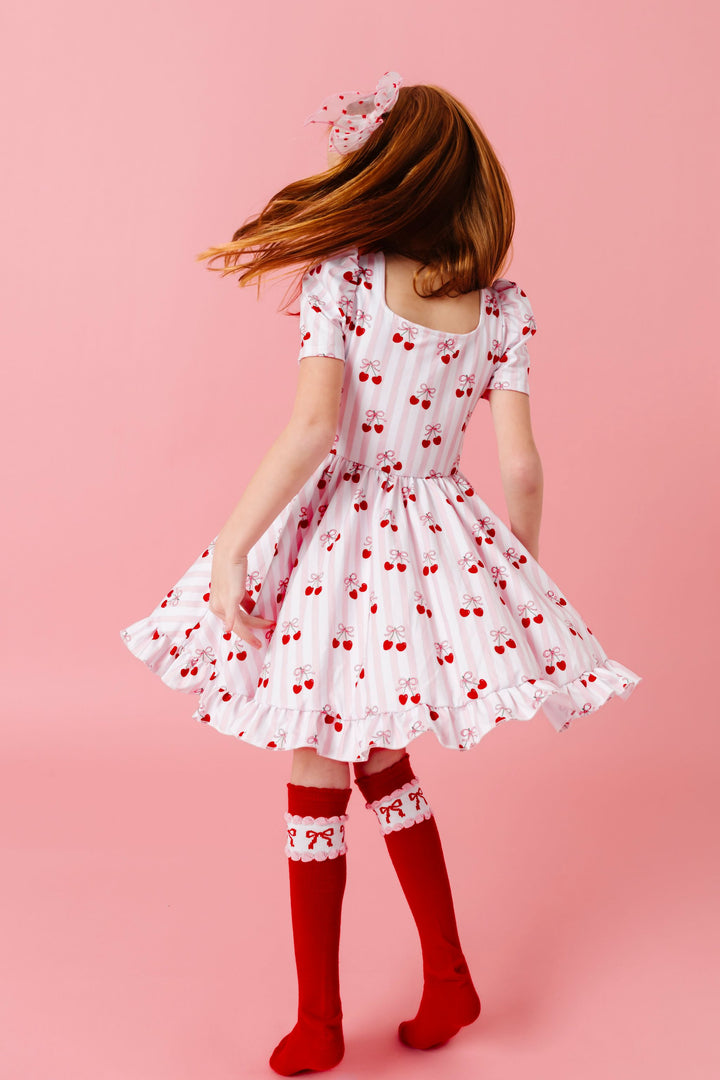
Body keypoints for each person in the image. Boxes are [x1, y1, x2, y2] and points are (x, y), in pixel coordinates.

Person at [119, 71, 642, 1076]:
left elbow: (317, 429)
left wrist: (232, 543)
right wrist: (509, 584)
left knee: (316, 762)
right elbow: (522, 466)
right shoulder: (503, 311)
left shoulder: (347, 283)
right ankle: (446, 975)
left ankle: (322, 1018)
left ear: (392, 177)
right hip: (434, 544)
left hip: (339, 540)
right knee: (383, 760)